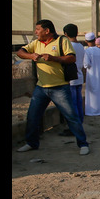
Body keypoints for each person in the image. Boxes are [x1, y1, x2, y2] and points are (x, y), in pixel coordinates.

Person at [15, 20, 90, 155]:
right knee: (32, 116)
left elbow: (71, 58)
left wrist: (53, 58)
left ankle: (83, 144)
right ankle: (31, 143)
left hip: (60, 87)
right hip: (41, 87)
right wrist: (31, 55)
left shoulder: (62, 41)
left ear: (47, 31)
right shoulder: (36, 43)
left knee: (71, 116)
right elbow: (20, 52)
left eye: (38, 29)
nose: (36, 32)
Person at [61, 23, 86, 134]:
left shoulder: (68, 47)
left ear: (65, 34)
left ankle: (74, 128)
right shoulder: (81, 46)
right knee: (78, 102)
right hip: (79, 77)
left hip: (70, 78)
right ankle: (79, 123)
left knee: (72, 104)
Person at [82, 32, 100, 116]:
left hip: (92, 75)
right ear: (94, 40)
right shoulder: (99, 51)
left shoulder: (87, 51)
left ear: (86, 41)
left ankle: (92, 111)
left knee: (92, 94)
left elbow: (86, 64)